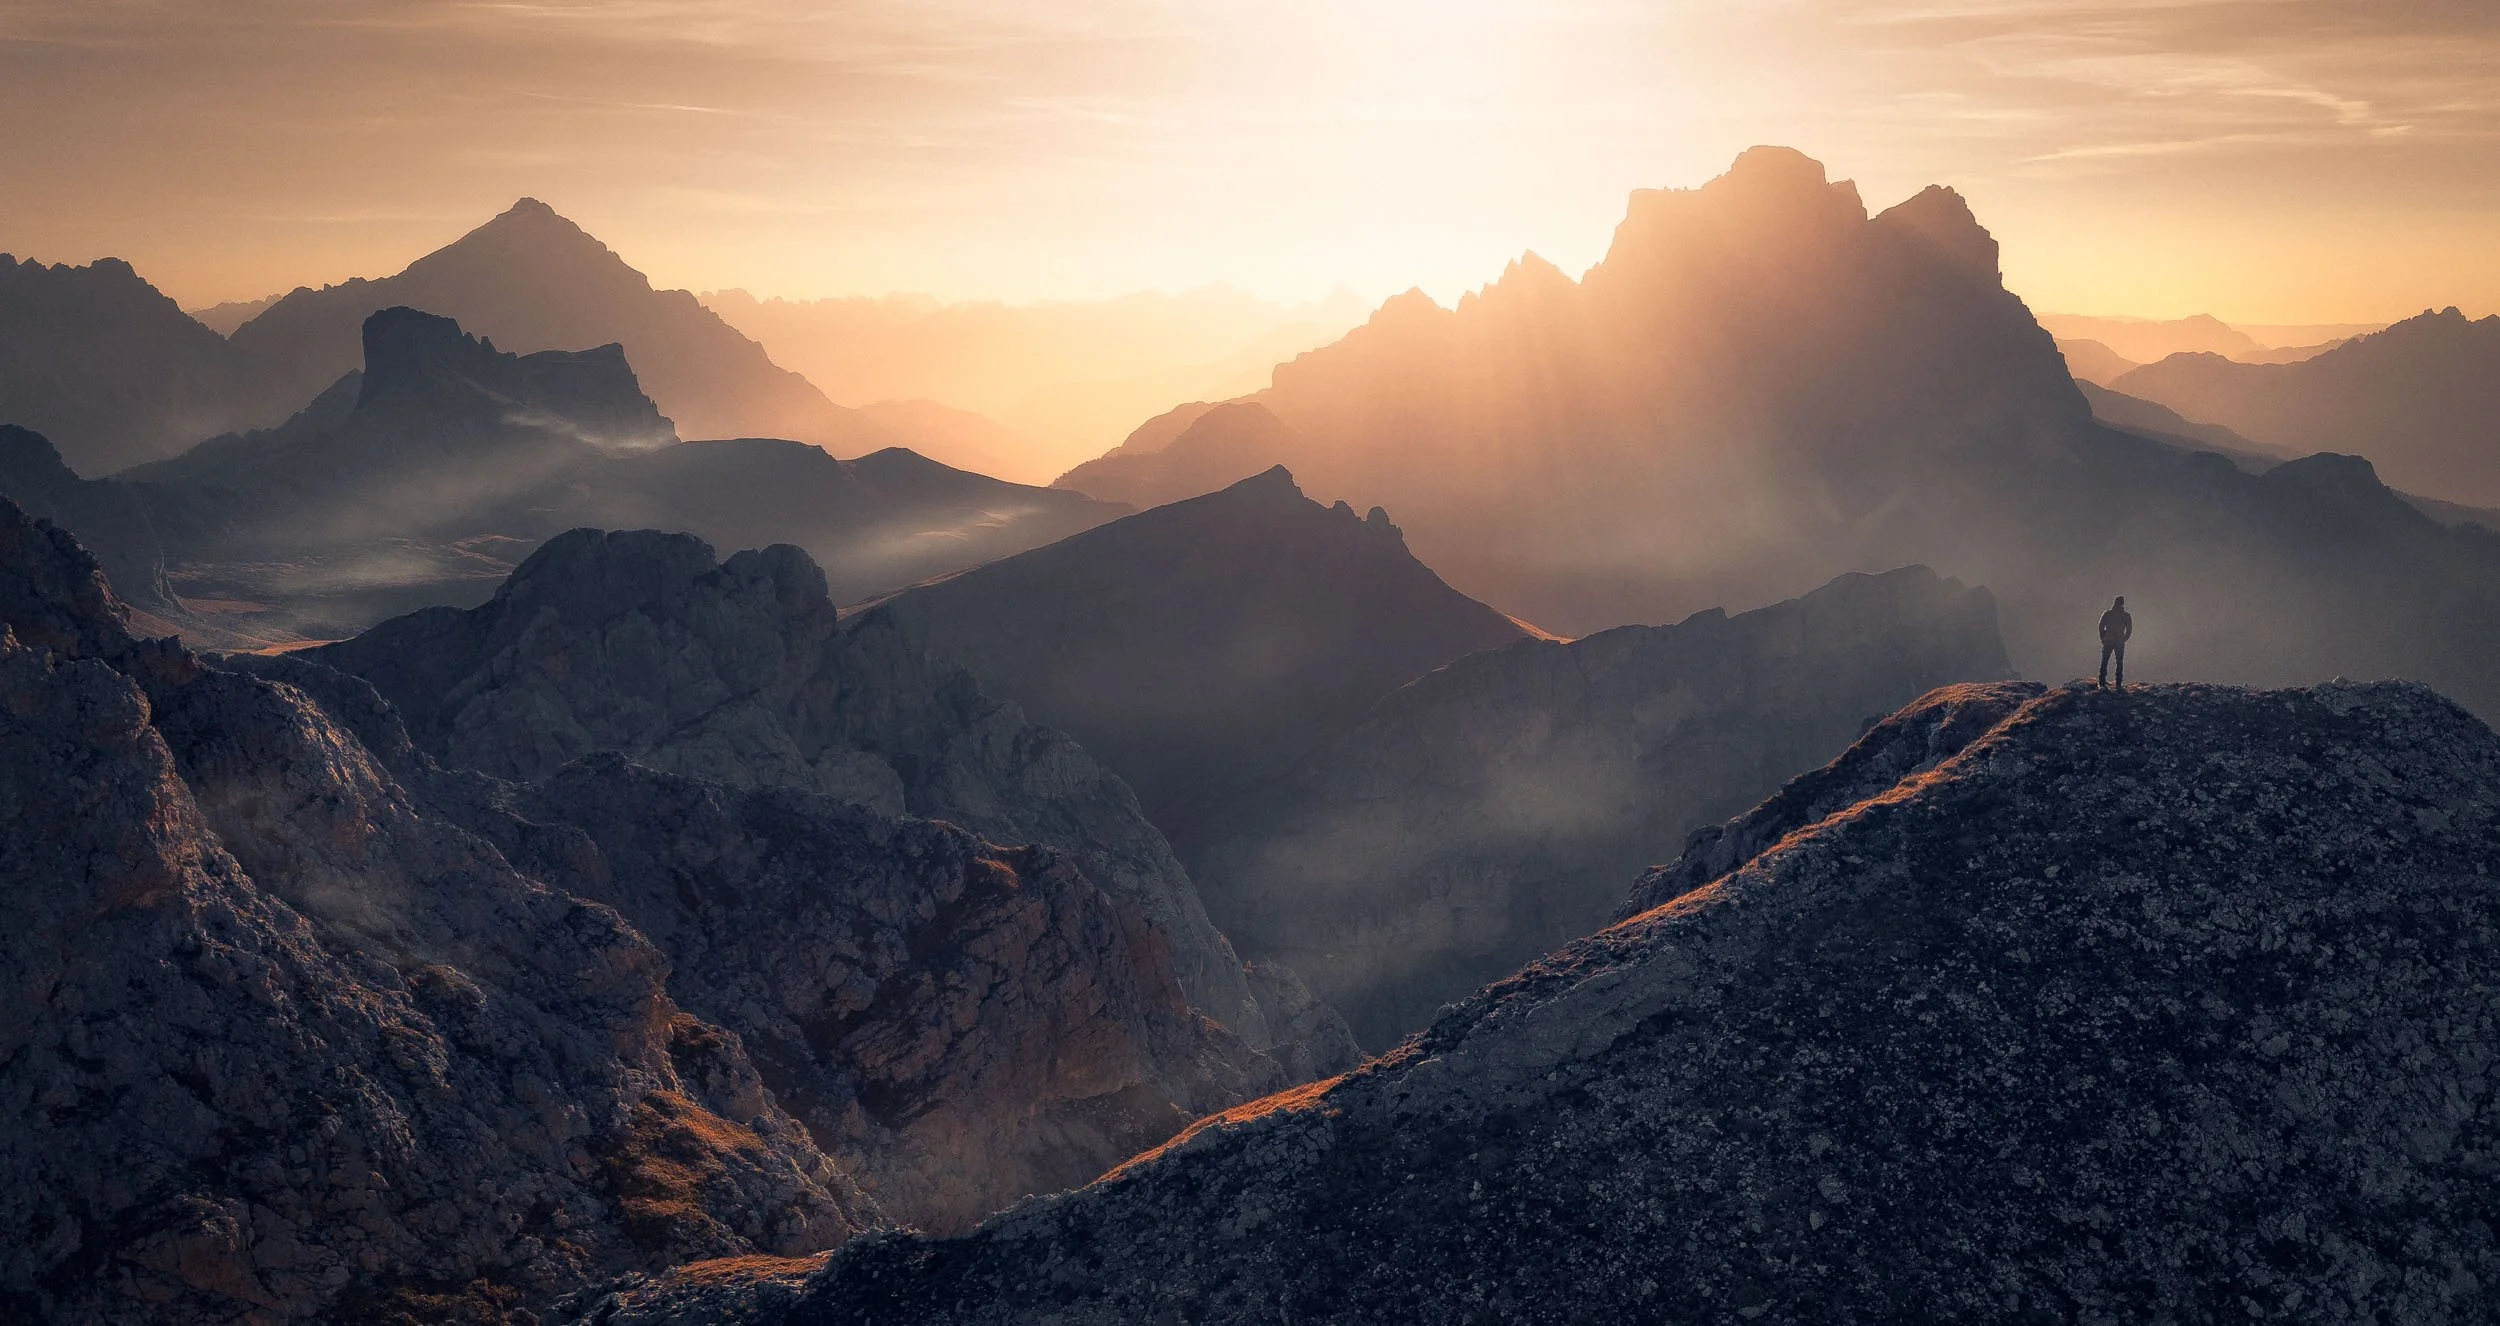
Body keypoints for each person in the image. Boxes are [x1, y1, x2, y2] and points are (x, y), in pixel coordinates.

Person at [2097, 596, 2133, 689]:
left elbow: (2101, 626)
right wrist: (2124, 638)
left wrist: (2103, 637)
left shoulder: (2107, 614)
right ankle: (2118, 683)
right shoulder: (2126, 615)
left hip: (2108, 640)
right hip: (2119, 641)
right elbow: (2129, 630)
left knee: (2104, 661)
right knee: (2119, 662)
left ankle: (2101, 682)